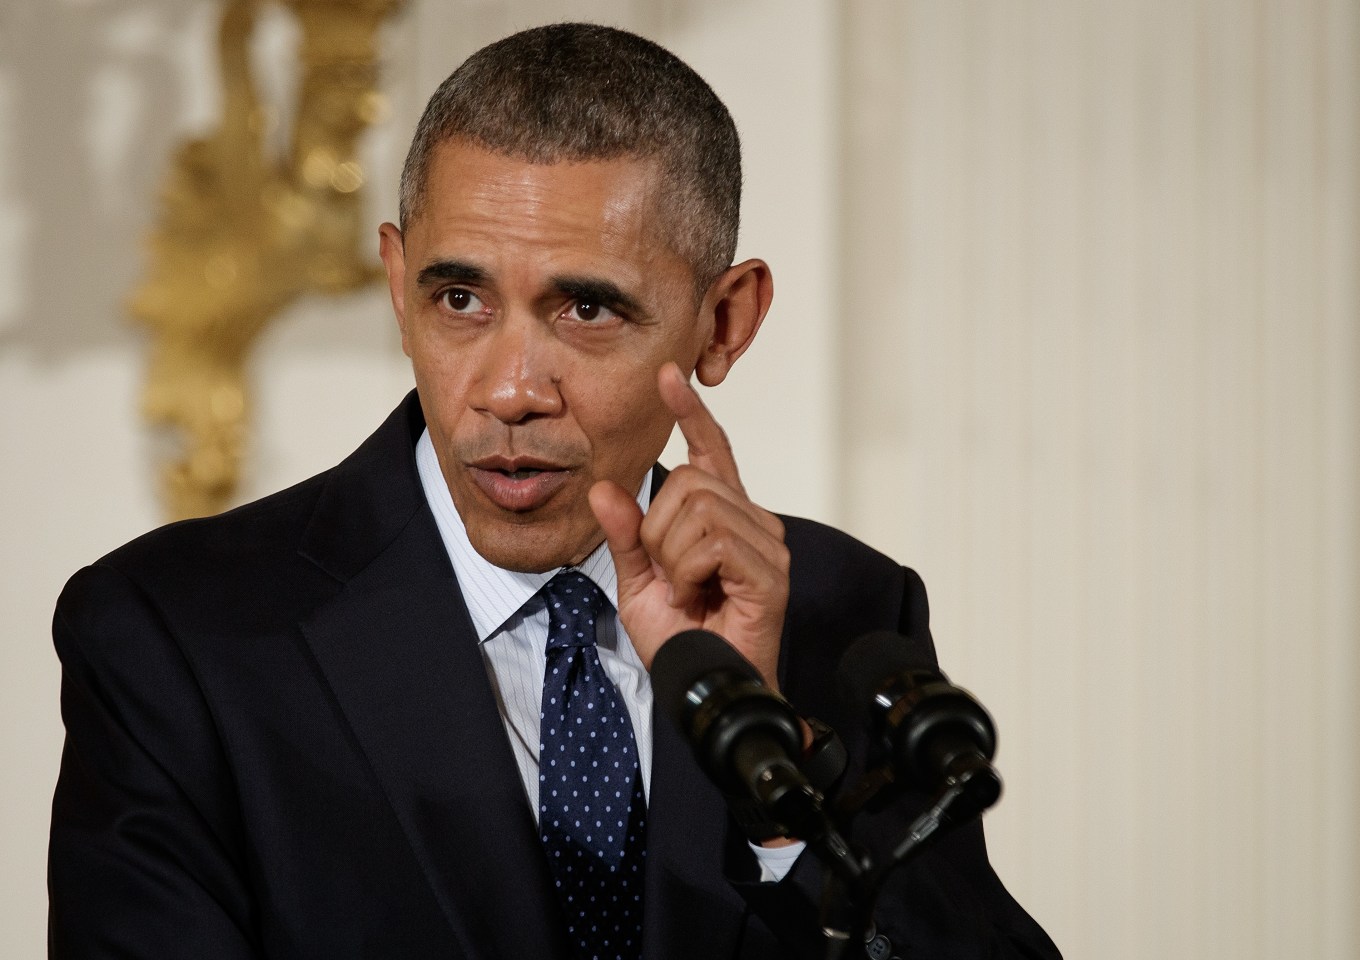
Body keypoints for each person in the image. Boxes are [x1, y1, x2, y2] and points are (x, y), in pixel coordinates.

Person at [49, 23, 1060, 960]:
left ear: (723, 324)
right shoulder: (176, 636)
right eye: (460, 298)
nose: (509, 390)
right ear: (398, 287)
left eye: (585, 308)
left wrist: (779, 794)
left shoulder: (845, 616)